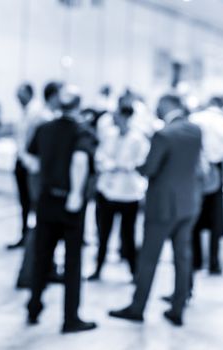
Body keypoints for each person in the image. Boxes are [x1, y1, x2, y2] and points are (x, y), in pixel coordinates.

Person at [109, 94, 202, 327]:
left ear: (166, 106)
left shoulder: (163, 135)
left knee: (149, 258)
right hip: (187, 204)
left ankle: (137, 307)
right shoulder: (195, 130)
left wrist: (137, 166)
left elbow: (150, 168)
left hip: (162, 206)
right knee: (183, 257)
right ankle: (178, 308)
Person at [26, 86, 97, 334]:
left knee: (42, 257)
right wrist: (76, 194)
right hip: (70, 203)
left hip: (47, 199)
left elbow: (32, 159)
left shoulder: (44, 129)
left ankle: (34, 306)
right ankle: (70, 317)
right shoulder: (82, 131)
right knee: (73, 261)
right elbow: (80, 161)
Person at [88, 95, 149, 281]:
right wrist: (110, 165)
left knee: (128, 235)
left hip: (128, 192)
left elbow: (142, 163)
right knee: (103, 233)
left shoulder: (138, 139)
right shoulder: (109, 135)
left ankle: (133, 271)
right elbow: (100, 156)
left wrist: (123, 166)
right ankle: (98, 268)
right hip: (107, 190)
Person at [15, 81, 63, 289]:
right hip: (39, 176)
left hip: (42, 175)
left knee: (46, 224)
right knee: (39, 223)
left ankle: (45, 268)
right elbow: (28, 147)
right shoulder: (42, 118)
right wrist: (37, 170)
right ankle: (30, 273)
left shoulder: (47, 116)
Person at [188, 96, 223, 275]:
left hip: (197, 171)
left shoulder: (195, 119)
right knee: (216, 221)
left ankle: (196, 260)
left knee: (194, 218)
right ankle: (214, 261)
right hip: (216, 171)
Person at [8, 82, 37, 250]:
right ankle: (24, 234)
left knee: (32, 202)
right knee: (24, 202)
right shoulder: (23, 113)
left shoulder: (36, 113)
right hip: (21, 161)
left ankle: (31, 236)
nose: (18, 97)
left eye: (21, 93)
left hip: (30, 164)